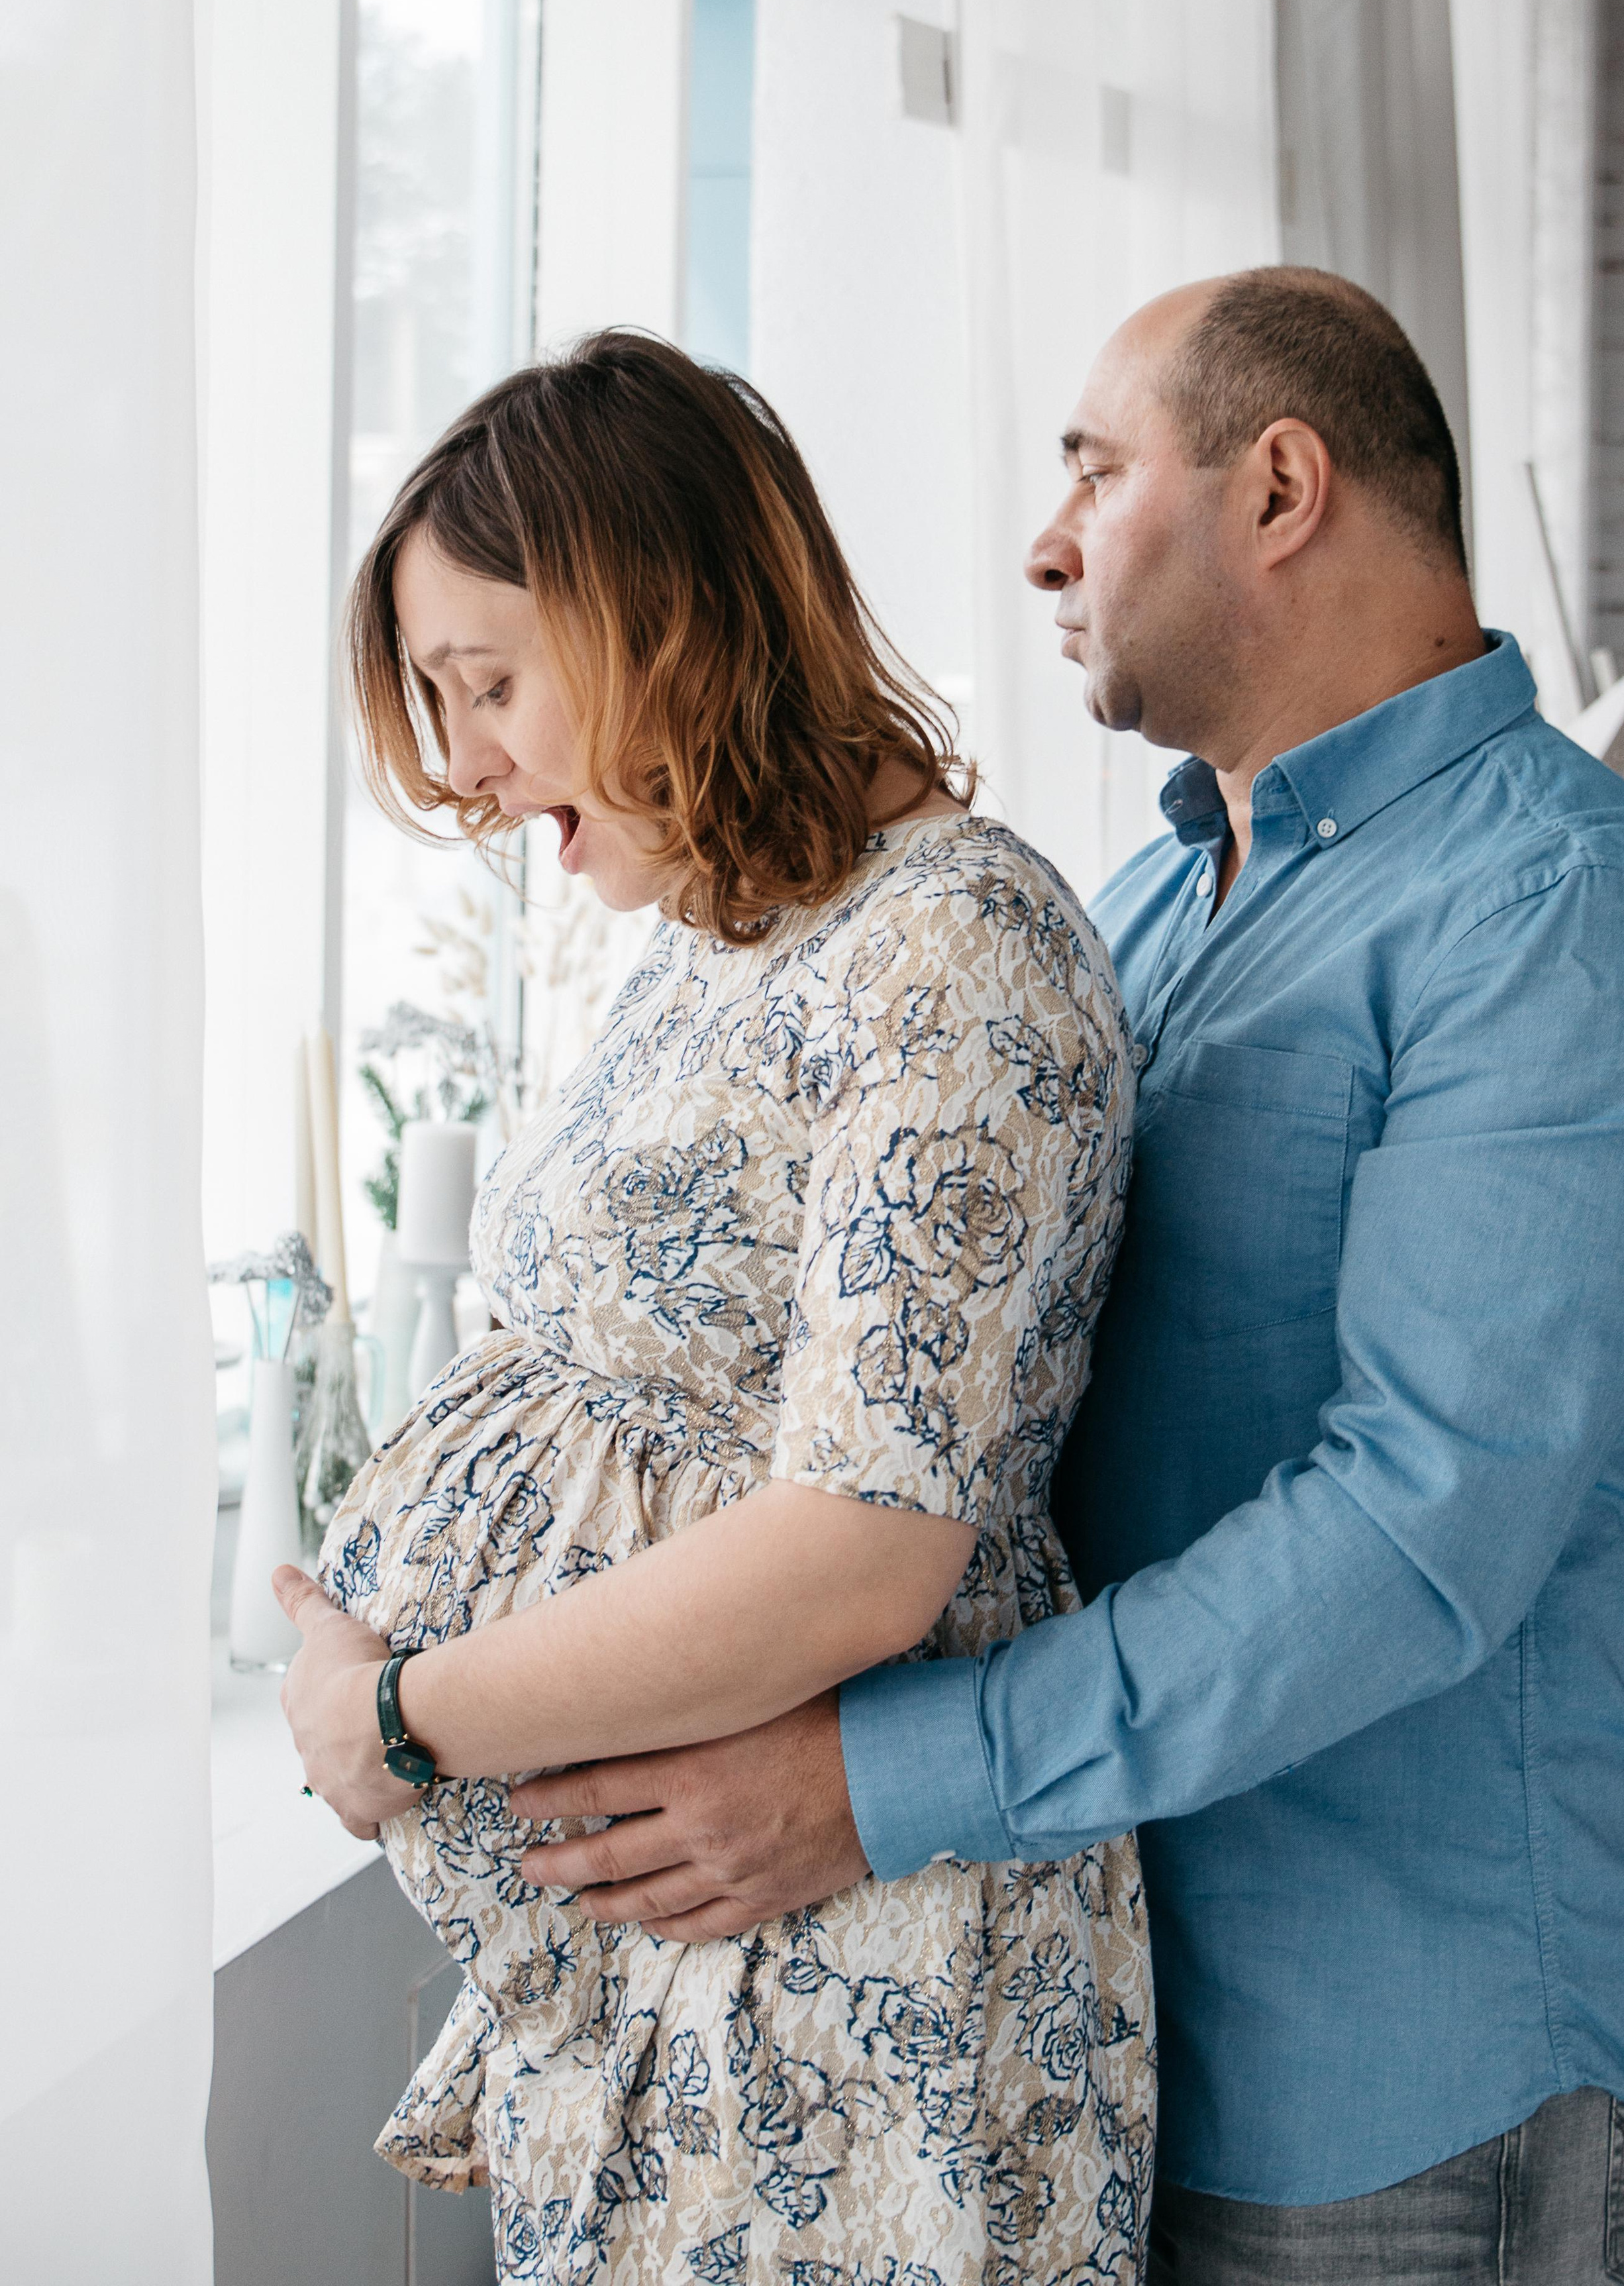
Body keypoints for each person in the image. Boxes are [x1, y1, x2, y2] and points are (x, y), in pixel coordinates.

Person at [504, 270, 1624, 2284]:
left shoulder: (1552, 901)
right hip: (1118, 2026)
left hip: (1417, 2072)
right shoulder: (1142, 898)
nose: (1045, 542)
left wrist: (871, 1787)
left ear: (1283, 487)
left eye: (1095, 469)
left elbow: (1420, 1533)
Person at [275, 331, 1152, 2281]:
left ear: (656, 612)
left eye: (486, 688)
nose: (464, 770)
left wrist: (405, 1721)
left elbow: (863, 1548)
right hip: (701, 1958)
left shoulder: (956, 953)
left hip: (859, 1962)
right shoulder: (729, 932)